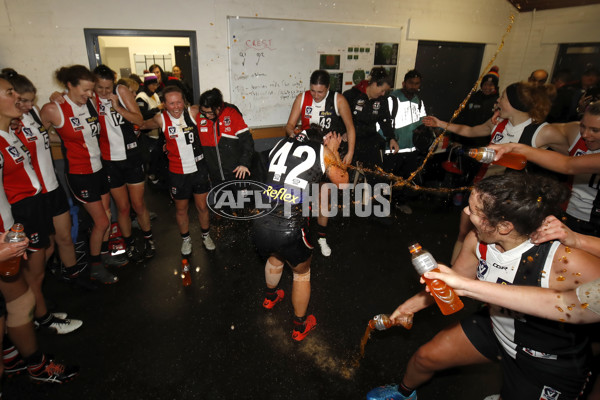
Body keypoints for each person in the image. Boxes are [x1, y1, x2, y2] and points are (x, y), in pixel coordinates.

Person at [367, 173, 600, 400]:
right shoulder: (479, 239)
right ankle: (403, 394)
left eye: (475, 211)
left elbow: (577, 305)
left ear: (504, 226)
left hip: (546, 363)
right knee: (426, 357)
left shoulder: (566, 260)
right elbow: (453, 282)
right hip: (495, 327)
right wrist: (408, 308)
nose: (466, 212)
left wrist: (580, 240)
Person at [423, 81, 566, 263]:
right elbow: (469, 130)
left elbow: (570, 154)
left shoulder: (542, 131)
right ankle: (455, 273)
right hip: (485, 192)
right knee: (465, 232)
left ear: (516, 103)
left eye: (503, 97)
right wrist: (440, 123)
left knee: (503, 243)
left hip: (513, 201)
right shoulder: (498, 123)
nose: (498, 100)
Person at [0, 72, 79, 385]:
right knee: (23, 293)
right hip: (19, 215)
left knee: (40, 263)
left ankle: (15, 350)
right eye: (11, 95)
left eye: (22, 97)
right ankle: (36, 354)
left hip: (26, 210)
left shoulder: (11, 131)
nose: (20, 101)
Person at [252, 126, 348, 341]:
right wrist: (332, 151)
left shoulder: (281, 143)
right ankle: (299, 326)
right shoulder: (322, 151)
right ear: (321, 141)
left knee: (274, 256)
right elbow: (343, 182)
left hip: (261, 220)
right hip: (289, 227)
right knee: (301, 273)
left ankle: (270, 297)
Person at [3, 69, 84, 284]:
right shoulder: (9, 125)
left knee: (65, 237)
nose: (29, 105)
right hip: (32, 196)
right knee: (43, 248)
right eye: (24, 101)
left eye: (32, 100)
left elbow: (47, 138)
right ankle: (35, 295)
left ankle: (73, 275)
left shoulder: (34, 112)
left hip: (52, 186)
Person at [41, 65, 120, 284]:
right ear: (69, 85)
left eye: (91, 90)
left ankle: (104, 256)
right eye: (85, 90)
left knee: (107, 216)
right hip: (79, 174)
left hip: (99, 169)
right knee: (101, 222)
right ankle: (95, 267)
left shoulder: (90, 103)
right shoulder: (53, 108)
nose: (89, 94)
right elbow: (38, 138)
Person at [490, 101, 600, 236]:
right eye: (584, 126)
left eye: (595, 130)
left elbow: (567, 165)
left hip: (595, 224)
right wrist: (505, 116)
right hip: (567, 212)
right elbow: (538, 128)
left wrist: (515, 147)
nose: (585, 135)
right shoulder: (575, 131)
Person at [285, 70, 356, 256]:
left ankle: (322, 237)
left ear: (328, 88)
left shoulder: (338, 100)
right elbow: (289, 125)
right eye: (313, 91)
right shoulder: (302, 98)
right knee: (303, 196)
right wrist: (295, 135)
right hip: (308, 155)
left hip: (329, 155)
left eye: (320, 92)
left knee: (325, 197)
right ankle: (300, 234)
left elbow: (350, 127)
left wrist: (350, 152)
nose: (316, 96)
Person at [142, 86, 215, 255]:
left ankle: (206, 236)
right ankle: (186, 240)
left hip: (199, 170)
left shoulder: (193, 112)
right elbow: (142, 125)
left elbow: (216, 108)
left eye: (179, 102)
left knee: (202, 207)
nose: (176, 107)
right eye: (171, 103)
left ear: (185, 101)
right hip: (177, 172)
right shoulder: (161, 119)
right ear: (164, 104)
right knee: (181, 209)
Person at [92, 65, 155, 260]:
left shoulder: (120, 91)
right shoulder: (89, 97)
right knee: (123, 207)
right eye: (99, 88)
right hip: (110, 161)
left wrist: (117, 107)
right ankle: (128, 244)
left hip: (131, 157)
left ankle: (149, 239)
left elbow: (139, 120)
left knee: (138, 204)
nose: (103, 92)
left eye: (107, 87)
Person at [385, 69, 427, 214]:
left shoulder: (419, 101)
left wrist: (422, 129)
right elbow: (382, 124)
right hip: (394, 148)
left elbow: (422, 121)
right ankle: (383, 207)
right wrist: (389, 138)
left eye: (417, 84)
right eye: (411, 83)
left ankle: (399, 203)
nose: (413, 86)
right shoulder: (392, 99)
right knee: (387, 179)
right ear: (404, 83)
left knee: (405, 179)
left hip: (411, 149)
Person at [343, 67, 399, 170]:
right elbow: (340, 118)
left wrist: (391, 138)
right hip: (351, 141)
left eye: (385, 92)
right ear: (374, 84)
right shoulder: (351, 95)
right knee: (347, 176)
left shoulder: (382, 101)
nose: (383, 94)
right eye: (382, 90)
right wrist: (343, 132)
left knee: (377, 175)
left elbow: (385, 120)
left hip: (370, 141)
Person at [196, 88, 254, 184]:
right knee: (221, 198)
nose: (207, 115)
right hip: (215, 177)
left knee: (242, 199)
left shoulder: (231, 114)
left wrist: (244, 164)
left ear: (219, 107)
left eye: (210, 112)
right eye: (204, 112)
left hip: (237, 173)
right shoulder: (199, 117)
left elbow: (247, 141)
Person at [136, 73, 164, 185]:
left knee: (157, 157)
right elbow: (141, 115)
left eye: (156, 85)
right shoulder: (141, 97)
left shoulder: (155, 95)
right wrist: (157, 109)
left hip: (157, 131)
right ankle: (151, 177)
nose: (154, 87)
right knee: (150, 157)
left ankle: (156, 175)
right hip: (147, 133)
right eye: (152, 85)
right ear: (147, 85)